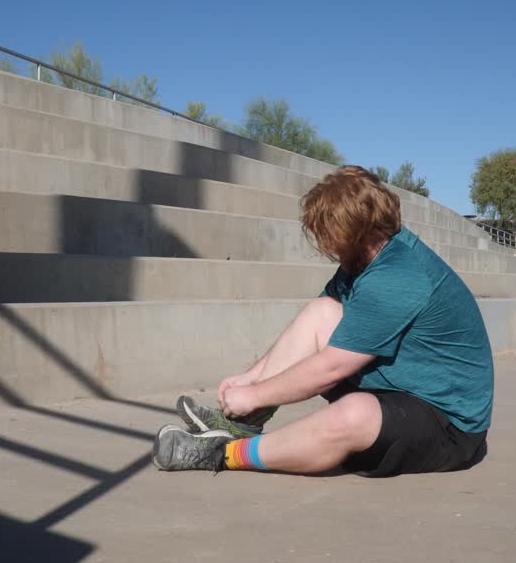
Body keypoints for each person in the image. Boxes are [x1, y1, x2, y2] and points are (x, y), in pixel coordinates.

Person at [153, 166, 494, 477]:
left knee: (352, 414)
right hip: (405, 387)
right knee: (323, 312)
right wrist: (250, 379)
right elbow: (314, 330)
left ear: (349, 231)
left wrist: (254, 393)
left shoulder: (397, 274)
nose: (323, 243)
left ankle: (223, 452)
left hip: (450, 426)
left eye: (325, 232)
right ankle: (244, 423)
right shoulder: (364, 260)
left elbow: (331, 368)